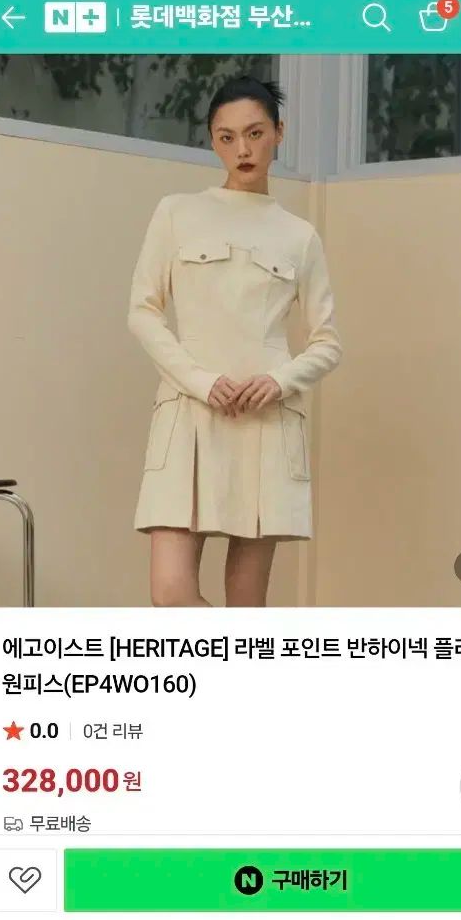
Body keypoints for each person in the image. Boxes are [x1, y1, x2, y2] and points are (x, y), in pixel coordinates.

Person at [128, 75, 342, 607]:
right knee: (171, 594)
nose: (242, 149)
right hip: (188, 411)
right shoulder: (176, 212)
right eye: (226, 137)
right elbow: (143, 313)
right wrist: (200, 381)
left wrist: (279, 381)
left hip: (265, 419)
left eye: (254, 133)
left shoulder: (299, 236)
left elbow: (327, 342)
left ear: (279, 133)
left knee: (247, 605)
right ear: (212, 140)